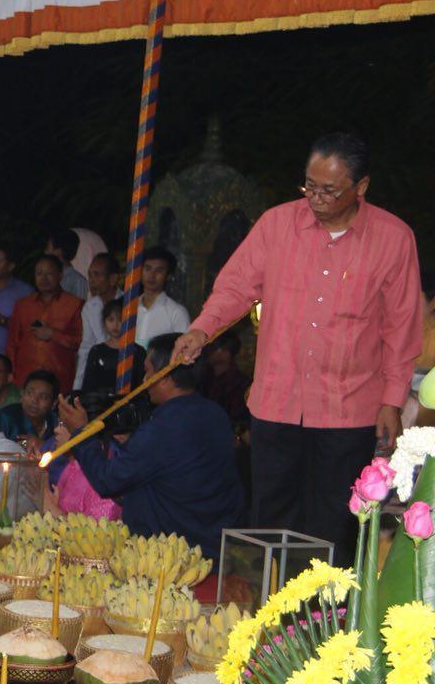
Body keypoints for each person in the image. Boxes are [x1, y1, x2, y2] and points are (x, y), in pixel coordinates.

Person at [173, 132, 421, 564]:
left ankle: (324, 607)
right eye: (310, 186)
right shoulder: (276, 224)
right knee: (271, 521)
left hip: (349, 409)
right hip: (277, 404)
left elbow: (401, 327)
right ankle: (273, 603)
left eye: (329, 190)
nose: (316, 199)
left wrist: (392, 401)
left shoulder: (393, 239)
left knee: (333, 525)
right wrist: (201, 330)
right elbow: (235, 287)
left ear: (361, 187)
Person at [60, 333, 244, 558]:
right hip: (214, 541)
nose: (145, 379)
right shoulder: (215, 413)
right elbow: (176, 467)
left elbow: (108, 481)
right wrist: (133, 444)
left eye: (148, 371)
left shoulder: (164, 426)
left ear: (164, 377)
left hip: (172, 552)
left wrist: (81, 433)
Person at [6, 254, 84, 392]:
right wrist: (10, 372)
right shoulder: (22, 305)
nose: (43, 278)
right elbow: (12, 343)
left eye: (49, 274)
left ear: (60, 275)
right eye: (39, 273)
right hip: (24, 378)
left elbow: (80, 342)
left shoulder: (75, 304)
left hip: (59, 379)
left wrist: (53, 334)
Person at [75, 252, 122, 388]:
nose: (91, 280)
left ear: (113, 278)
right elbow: (86, 347)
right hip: (98, 371)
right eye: (90, 275)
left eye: (97, 275)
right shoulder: (90, 307)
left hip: (122, 369)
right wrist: (77, 387)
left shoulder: (128, 304)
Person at [82, 299, 146, 393]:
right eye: (111, 320)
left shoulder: (138, 351)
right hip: (101, 401)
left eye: (120, 320)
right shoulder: (96, 351)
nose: (115, 325)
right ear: (104, 322)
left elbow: (142, 386)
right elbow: (88, 386)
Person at [134, 247, 191, 348]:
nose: (151, 275)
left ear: (168, 276)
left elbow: (184, 350)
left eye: (159, 271)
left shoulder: (177, 313)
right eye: (147, 269)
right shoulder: (129, 308)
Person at [198, 330, 251, 427]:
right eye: (213, 348)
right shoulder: (202, 377)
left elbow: (238, 415)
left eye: (224, 349)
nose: (218, 352)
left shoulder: (241, 383)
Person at [1, 369, 60, 450]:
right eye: (30, 393)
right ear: (22, 394)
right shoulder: (5, 418)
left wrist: (44, 445)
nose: (34, 400)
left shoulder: (57, 423)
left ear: (54, 403)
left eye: (43, 397)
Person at [44, 228, 89, 301]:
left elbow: (79, 306)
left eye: (47, 248)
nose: (45, 252)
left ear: (58, 251)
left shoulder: (78, 281)